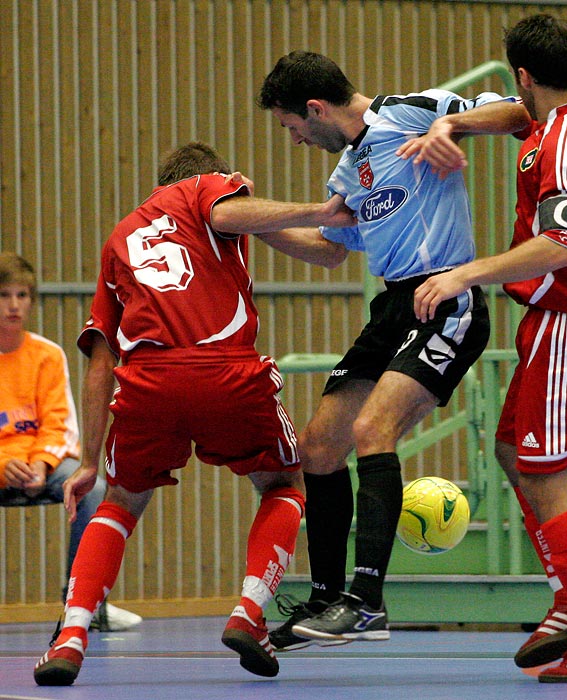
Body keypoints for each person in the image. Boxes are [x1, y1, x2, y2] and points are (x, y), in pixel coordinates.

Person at [33, 141, 355, 686]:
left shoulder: (120, 237)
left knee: (119, 501)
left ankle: (71, 634)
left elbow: (100, 361)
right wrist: (320, 211)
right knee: (285, 482)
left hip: (148, 385)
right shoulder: (204, 188)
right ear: (212, 178)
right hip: (224, 370)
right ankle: (250, 613)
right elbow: (229, 212)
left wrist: (88, 461)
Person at [257, 50, 530, 647]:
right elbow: (330, 248)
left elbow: (520, 112)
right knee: (320, 445)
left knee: (372, 430)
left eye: (292, 127)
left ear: (315, 108)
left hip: (444, 296)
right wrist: (249, 223)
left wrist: (451, 124)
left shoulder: (409, 113)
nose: (296, 140)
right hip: (391, 308)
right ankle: (327, 598)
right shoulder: (348, 169)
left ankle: (368, 602)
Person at [408, 14, 567, 683]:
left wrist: (460, 273)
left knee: (545, 476)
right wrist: (450, 124)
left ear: (519, 72)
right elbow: (517, 116)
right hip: (562, 324)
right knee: (512, 449)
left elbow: (556, 246)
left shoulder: (566, 146)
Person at [0, 252, 142, 633]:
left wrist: (42, 464)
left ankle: (82, 605)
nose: (14, 306)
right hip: (3, 464)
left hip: (37, 465)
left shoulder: (47, 355)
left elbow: (59, 425)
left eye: (22, 295)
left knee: (92, 488)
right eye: (4, 295)